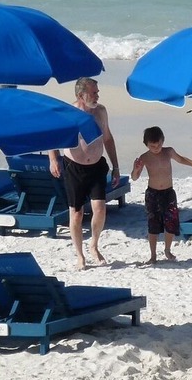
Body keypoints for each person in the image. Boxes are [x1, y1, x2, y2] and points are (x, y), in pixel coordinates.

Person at [48, 77, 120, 269]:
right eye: (93, 92)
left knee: (100, 208)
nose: (97, 95)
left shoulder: (101, 112)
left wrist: (116, 166)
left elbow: (108, 139)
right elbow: (53, 138)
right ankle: (80, 255)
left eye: (97, 92)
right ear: (81, 95)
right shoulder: (69, 114)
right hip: (74, 167)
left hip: (96, 166)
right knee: (77, 214)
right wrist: (53, 160)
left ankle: (94, 245)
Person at [130, 126, 192, 264]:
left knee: (171, 223)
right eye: (152, 146)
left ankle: (167, 249)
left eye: (159, 144)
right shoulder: (144, 157)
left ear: (163, 141)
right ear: (146, 145)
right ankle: (153, 255)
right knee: (153, 225)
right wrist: (136, 169)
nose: (156, 148)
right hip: (152, 194)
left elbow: (181, 159)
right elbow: (134, 178)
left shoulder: (168, 152)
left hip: (168, 192)